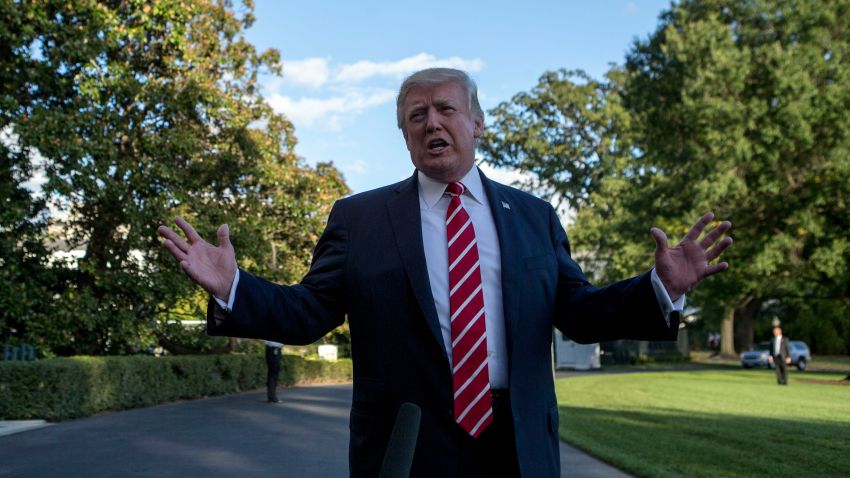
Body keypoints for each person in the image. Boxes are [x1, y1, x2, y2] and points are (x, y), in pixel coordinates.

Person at [158, 68, 733, 477]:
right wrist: (234, 287)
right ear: (406, 135)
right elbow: (309, 312)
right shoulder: (361, 219)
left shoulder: (534, 217)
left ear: (477, 123)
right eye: (417, 115)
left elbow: (578, 313)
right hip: (408, 444)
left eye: (446, 109)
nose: (432, 122)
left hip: (517, 442)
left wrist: (661, 287)